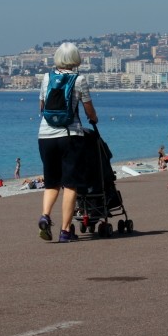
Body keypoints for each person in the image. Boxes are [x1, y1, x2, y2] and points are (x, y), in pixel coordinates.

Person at [37, 42, 98, 244]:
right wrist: (94, 119)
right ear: (76, 59)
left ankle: (45, 215)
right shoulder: (79, 80)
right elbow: (89, 110)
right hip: (70, 136)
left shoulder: (47, 78)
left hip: (45, 136)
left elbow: (41, 106)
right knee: (70, 184)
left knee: (51, 182)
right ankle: (65, 231)